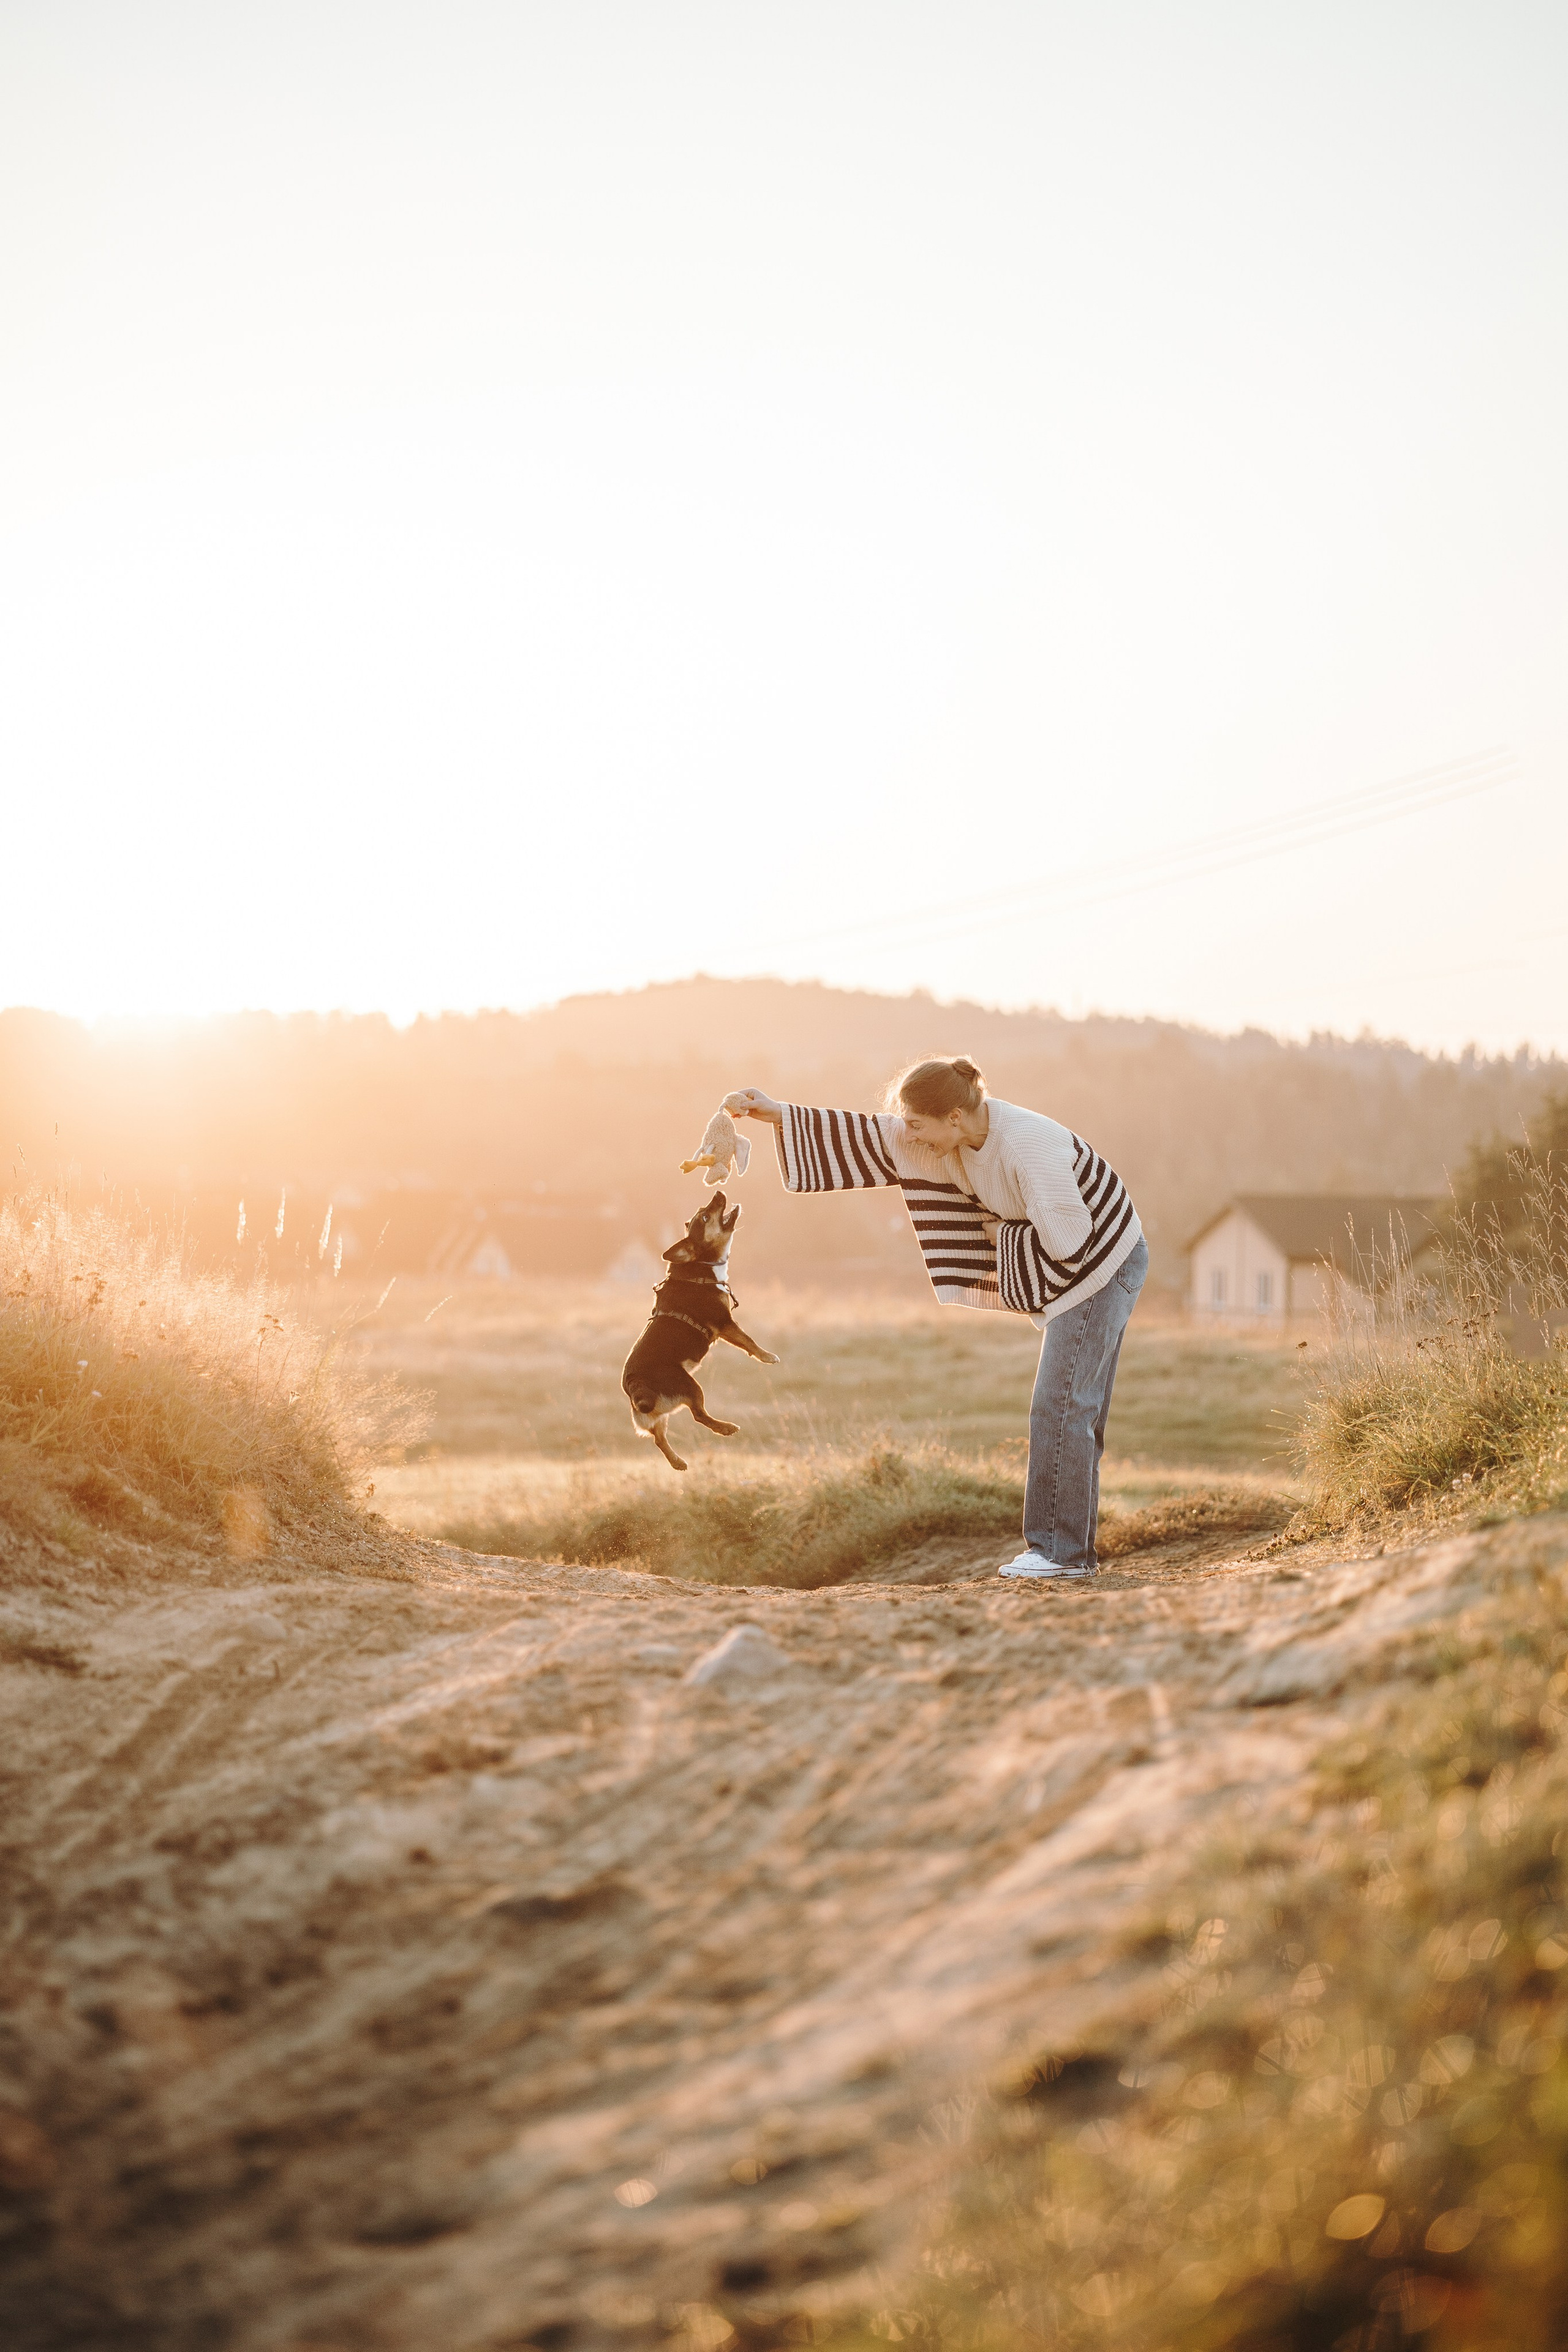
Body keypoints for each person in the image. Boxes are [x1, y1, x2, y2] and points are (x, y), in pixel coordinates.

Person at [728, 1058, 1146, 1580]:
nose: (911, 1137)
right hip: (1084, 1255)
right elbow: (873, 1138)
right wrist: (778, 1115)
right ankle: (1070, 1555)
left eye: (918, 1125)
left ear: (952, 1116)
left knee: (1061, 1404)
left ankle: (1060, 1555)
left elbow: (1069, 1240)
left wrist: (1004, 1236)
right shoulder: (951, 1139)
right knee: (1074, 1410)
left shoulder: (1026, 1146)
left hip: (1103, 1262)